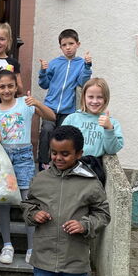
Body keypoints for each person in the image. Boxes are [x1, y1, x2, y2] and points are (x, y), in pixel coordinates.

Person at [21, 125, 111, 276]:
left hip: (75, 258)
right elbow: (27, 206)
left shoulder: (90, 182)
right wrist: (34, 214)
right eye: (54, 153)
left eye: (65, 153)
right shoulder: (40, 179)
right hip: (44, 257)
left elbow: (103, 215)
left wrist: (85, 224)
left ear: (79, 154)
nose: (58, 158)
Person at [0, 70, 55, 265]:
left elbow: (51, 116)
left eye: (10, 86)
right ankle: (7, 245)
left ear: (16, 87)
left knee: (27, 201)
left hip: (24, 157)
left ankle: (31, 247)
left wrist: (37, 102)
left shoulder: (25, 104)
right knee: (3, 201)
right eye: (2, 87)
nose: (6, 90)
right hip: (3, 158)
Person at [37, 29, 93, 170]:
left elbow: (82, 81)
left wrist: (87, 66)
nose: (68, 47)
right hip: (50, 107)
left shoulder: (80, 63)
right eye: (64, 45)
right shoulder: (55, 63)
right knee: (47, 130)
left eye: (71, 44)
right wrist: (43, 71)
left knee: (64, 136)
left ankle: (61, 165)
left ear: (77, 44)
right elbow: (44, 84)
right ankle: (44, 163)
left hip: (68, 109)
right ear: (60, 47)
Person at [62, 78, 124, 158]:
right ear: (84, 97)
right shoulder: (71, 119)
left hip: (93, 167)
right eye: (91, 97)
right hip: (71, 166)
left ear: (105, 99)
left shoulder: (112, 123)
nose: (95, 101)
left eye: (99, 97)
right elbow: (60, 143)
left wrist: (109, 129)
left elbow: (111, 150)